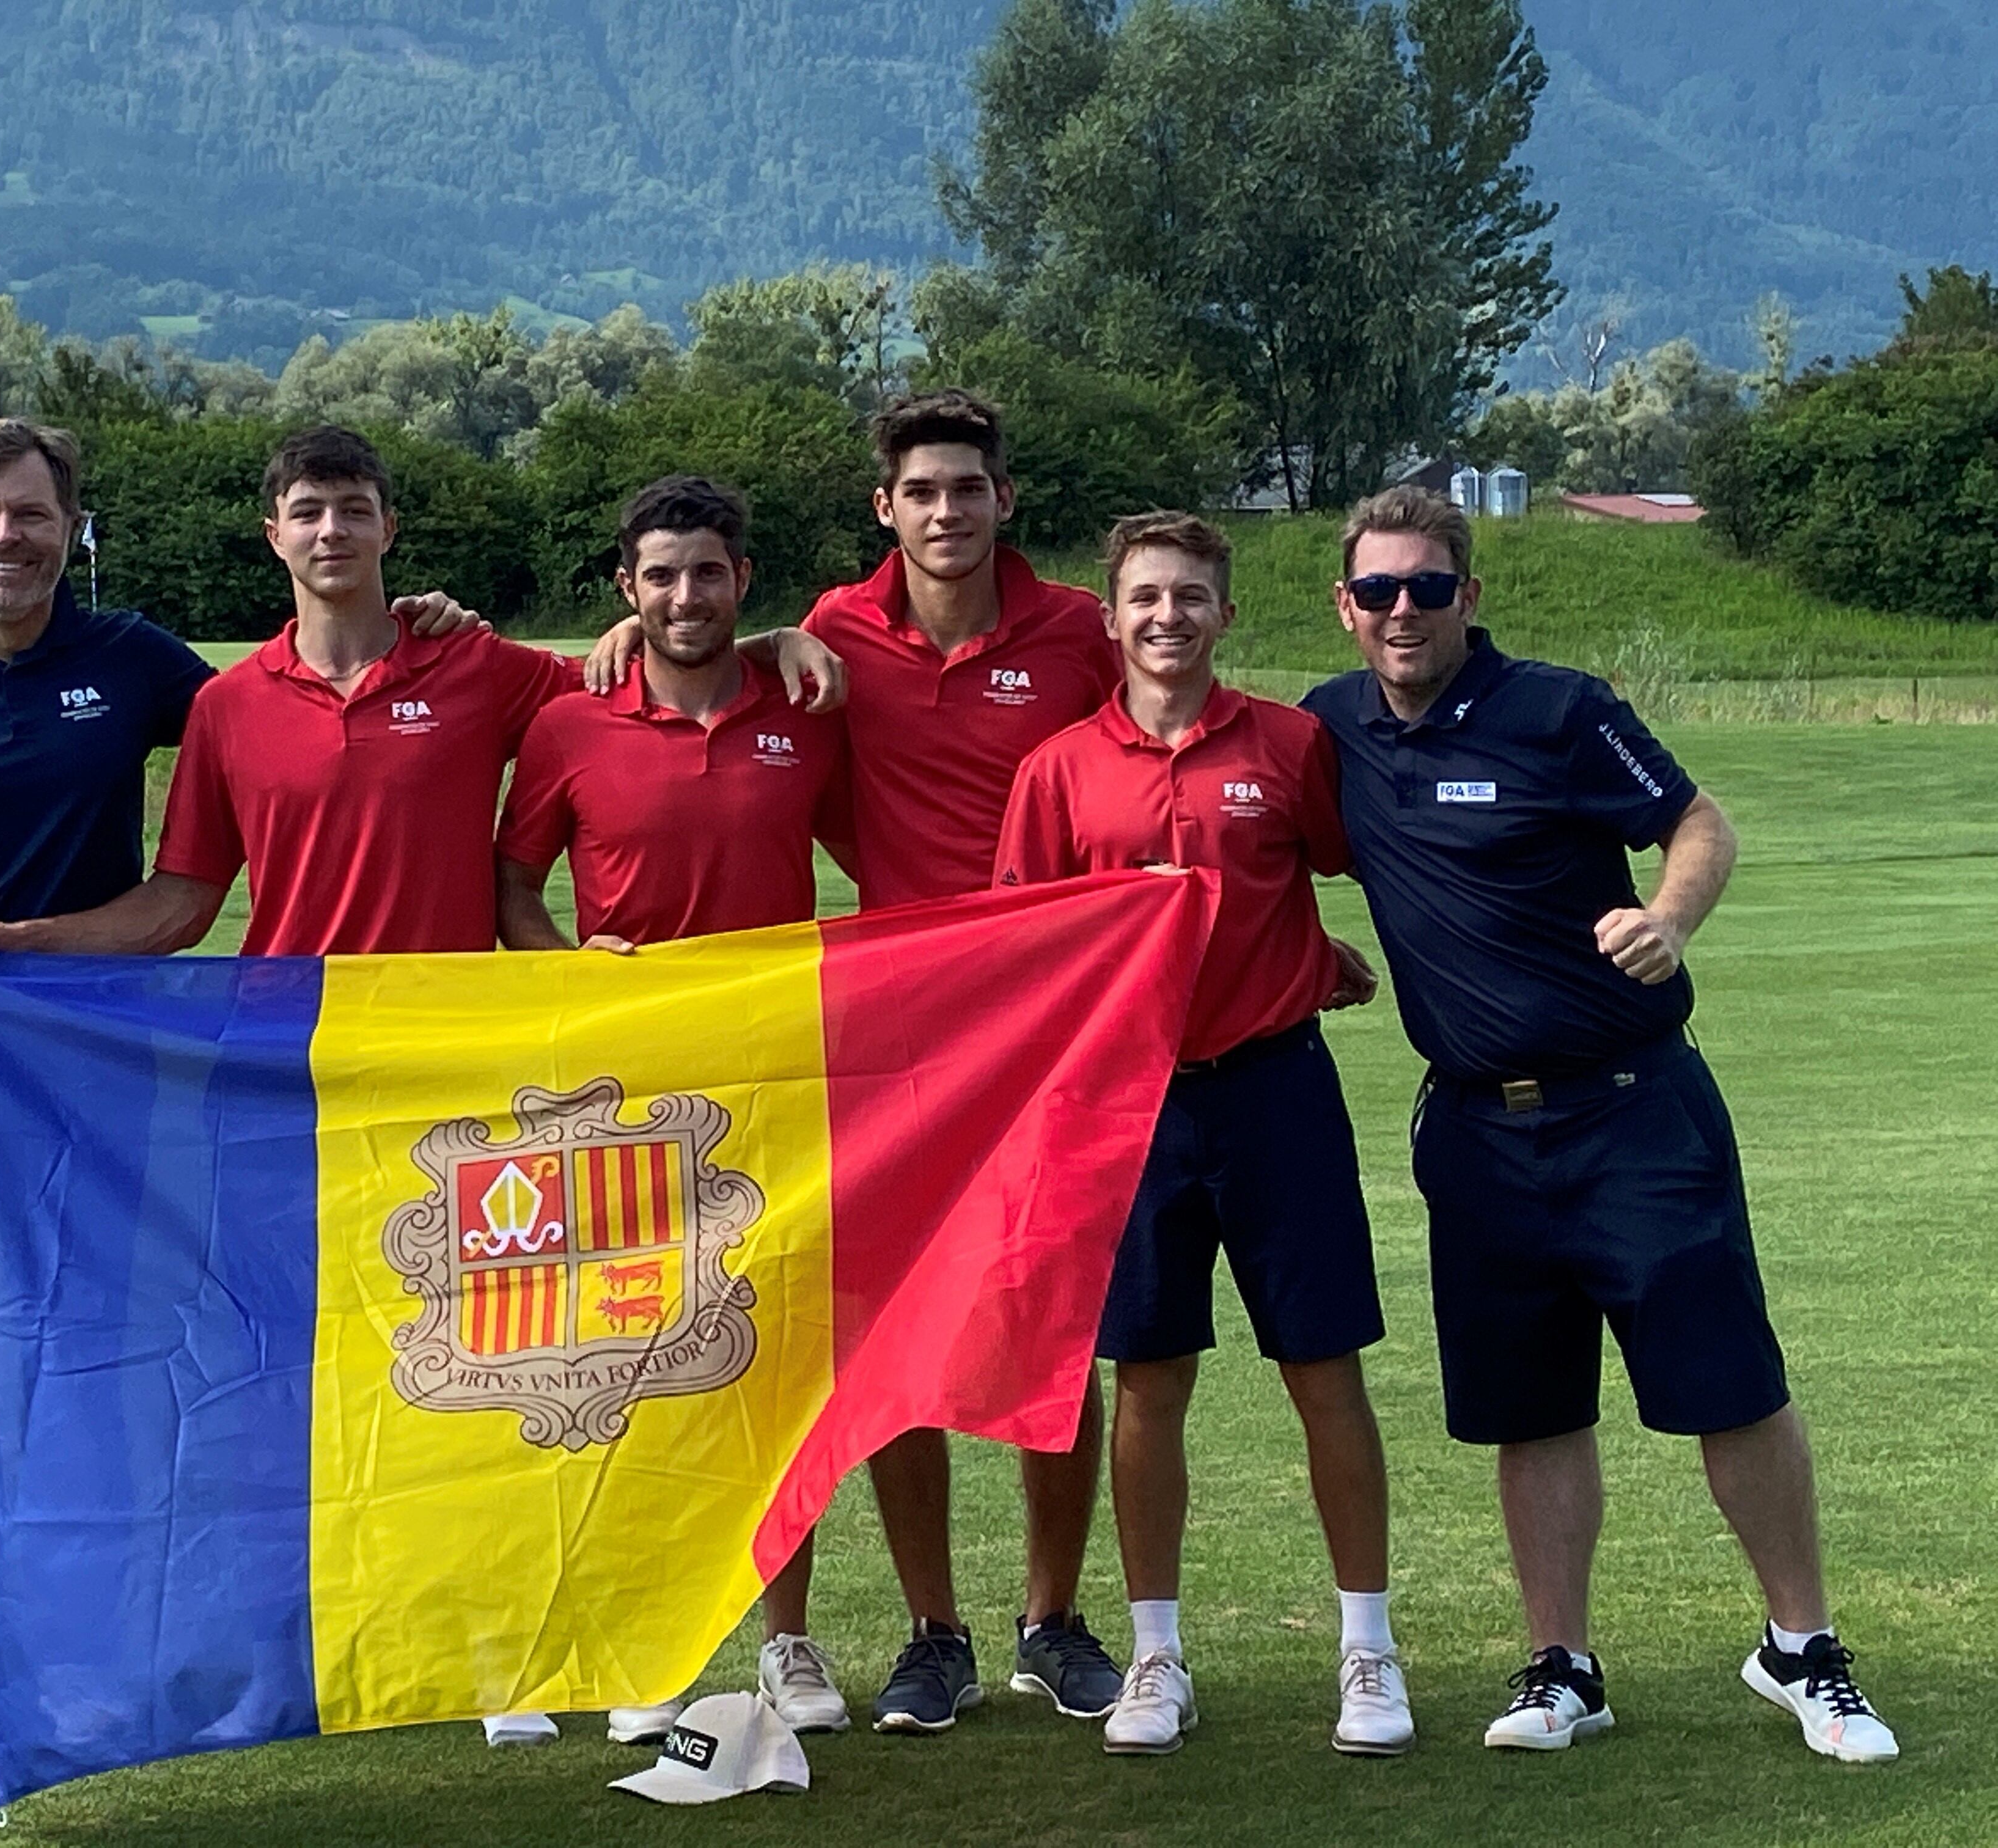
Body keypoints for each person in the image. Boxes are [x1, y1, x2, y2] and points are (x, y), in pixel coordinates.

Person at [0, 418, 483, 1756]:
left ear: (70, 530)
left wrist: (417, 618)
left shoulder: (136, 664)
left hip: (96, 1049)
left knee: (115, 1342)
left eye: (33, 515)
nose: (7, 536)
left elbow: (288, 707)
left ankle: (113, 1631)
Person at [1300, 485, 1898, 1762]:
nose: (1404, 613)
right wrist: (1311, 947)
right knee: (1532, 1407)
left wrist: (1669, 920)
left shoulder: (1559, 711)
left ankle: (1803, 1649)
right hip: (1473, 1133)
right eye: (1379, 592)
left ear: (1472, 594)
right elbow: (1232, 838)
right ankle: (1564, 1665)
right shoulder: (1329, 725)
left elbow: (1697, 821)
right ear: (1345, 606)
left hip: (1633, 1110)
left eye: (1430, 588)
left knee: (1729, 1386)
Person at [993, 512, 1409, 1759]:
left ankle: (1369, 1649)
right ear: (1109, 619)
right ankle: (1158, 1654)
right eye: (1144, 599)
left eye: (1189, 598)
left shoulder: (1288, 745)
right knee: (1148, 1380)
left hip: (1277, 1096)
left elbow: (1362, 865)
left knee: (1323, 1372)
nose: (1166, 617)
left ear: (1226, 615)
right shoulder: (1059, 769)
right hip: (1132, 1112)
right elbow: (1028, 948)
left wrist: (1320, 958)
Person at [0, 426, 842, 966]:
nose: (333, 532)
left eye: (354, 510)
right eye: (310, 513)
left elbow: (659, 677)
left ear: (388, 528)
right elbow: (181, 904)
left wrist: (773, 640)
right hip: (296, 1039)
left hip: (448, 1037)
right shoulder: (227, 707)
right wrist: (16, 939)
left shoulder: (479, 667)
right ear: (273, 534)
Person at [494, 475, 856, 1744]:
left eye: (708, 574)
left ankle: (790, 1642)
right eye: (660, 577)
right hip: (625, 1101)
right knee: (626, 1365)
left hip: (771, 1079)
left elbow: (895, 856)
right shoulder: (571, 722)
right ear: (625, 591)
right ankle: (639, 1641)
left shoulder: (804, 709)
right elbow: (511, 888)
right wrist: (568, 969)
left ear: (740, 579)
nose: (684, 597)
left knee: (773, 1368)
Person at [799, 391, 1128, 1734]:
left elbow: (1154, 763)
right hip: (892, 1026)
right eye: (922, 490)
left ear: (1005, 500)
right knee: (894, 1328)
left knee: (1058, 1319)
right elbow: (702, 675)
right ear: (886, 506)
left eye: (969, 488)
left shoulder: (1072, 633)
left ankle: (1051, 1618)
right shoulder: (828, 631)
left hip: (1056, 1023)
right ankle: (932, 1631)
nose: (947, 510)